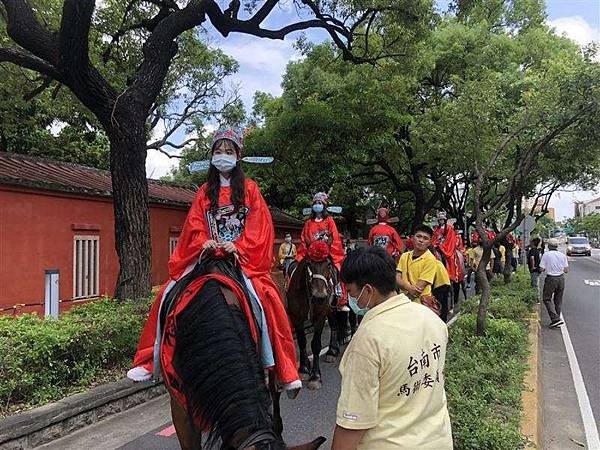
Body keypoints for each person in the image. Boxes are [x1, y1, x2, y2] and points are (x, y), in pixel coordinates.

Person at [127, 128, 302, 395]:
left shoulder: (251, 191)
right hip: (207, 256)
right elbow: (195, 224)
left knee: (266, 298)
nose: (223, 157)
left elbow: (259, 227)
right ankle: (149, 360)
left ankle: (282, 368)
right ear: (211, 157)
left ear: (238, 156)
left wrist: (239, 245)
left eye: (228, 152)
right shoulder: (204, 192)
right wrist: (201, 242)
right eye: (218, 152)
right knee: (166, 294)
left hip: (239, 259)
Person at [333, 246, 453, 450]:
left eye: (352, 292)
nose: (351, 299)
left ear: (369, 290)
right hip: (438, 441)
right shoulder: (432, 320)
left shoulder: (368, 340)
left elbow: (353, 424)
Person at [296, 192, 348, 311]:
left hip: (327, 253)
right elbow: (304, 238)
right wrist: (308, 251)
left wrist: (328, 250)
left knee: (338, 269)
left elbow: (334, 237)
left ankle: (340, 298)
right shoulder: (308, 222)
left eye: (320, 203)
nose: (317, 205)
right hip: (311, 253)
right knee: (295, 267)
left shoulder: (329, 220)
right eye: (315, 203)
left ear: (324, 206)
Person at [396, 225, 441, 315]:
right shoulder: (404, 256)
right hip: (404, 302)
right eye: (418, 236)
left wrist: (403, 288)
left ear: (429, 242)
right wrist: (408, 287)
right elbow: (397, 277)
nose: (421, 240)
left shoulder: (430, 259)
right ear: (412, 238)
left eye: (425, 238)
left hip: (421, 305)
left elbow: (418, 289)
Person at [540, 238, 569, 328]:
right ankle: (557, 318)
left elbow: (541, 268)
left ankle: (555, 319)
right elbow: (566, 270)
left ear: (548, 246)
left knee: (546, 298)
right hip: (561, 278)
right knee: (558, 300)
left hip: (551, 278)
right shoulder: (562, 255)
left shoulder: (546, 255)